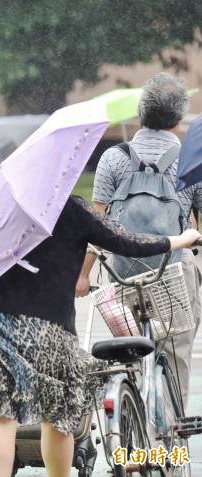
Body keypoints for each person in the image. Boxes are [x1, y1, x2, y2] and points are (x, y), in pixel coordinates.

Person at [0, 194, 202, 477]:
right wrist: (180, 239)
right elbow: (126, 242)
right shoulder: (68, 207)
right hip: (47, 324)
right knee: (57, 419)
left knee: (3, 418)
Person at [76, 72, 202, 409]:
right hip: (173, 272)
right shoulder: (191, 159)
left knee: (131, 349)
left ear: (141, 113)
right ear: (178, 119)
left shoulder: (113, 157)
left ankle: (133, 414)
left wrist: (84, 274)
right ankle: (171, 436)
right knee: (175, 355)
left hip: (124, 275)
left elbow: (97, 224)